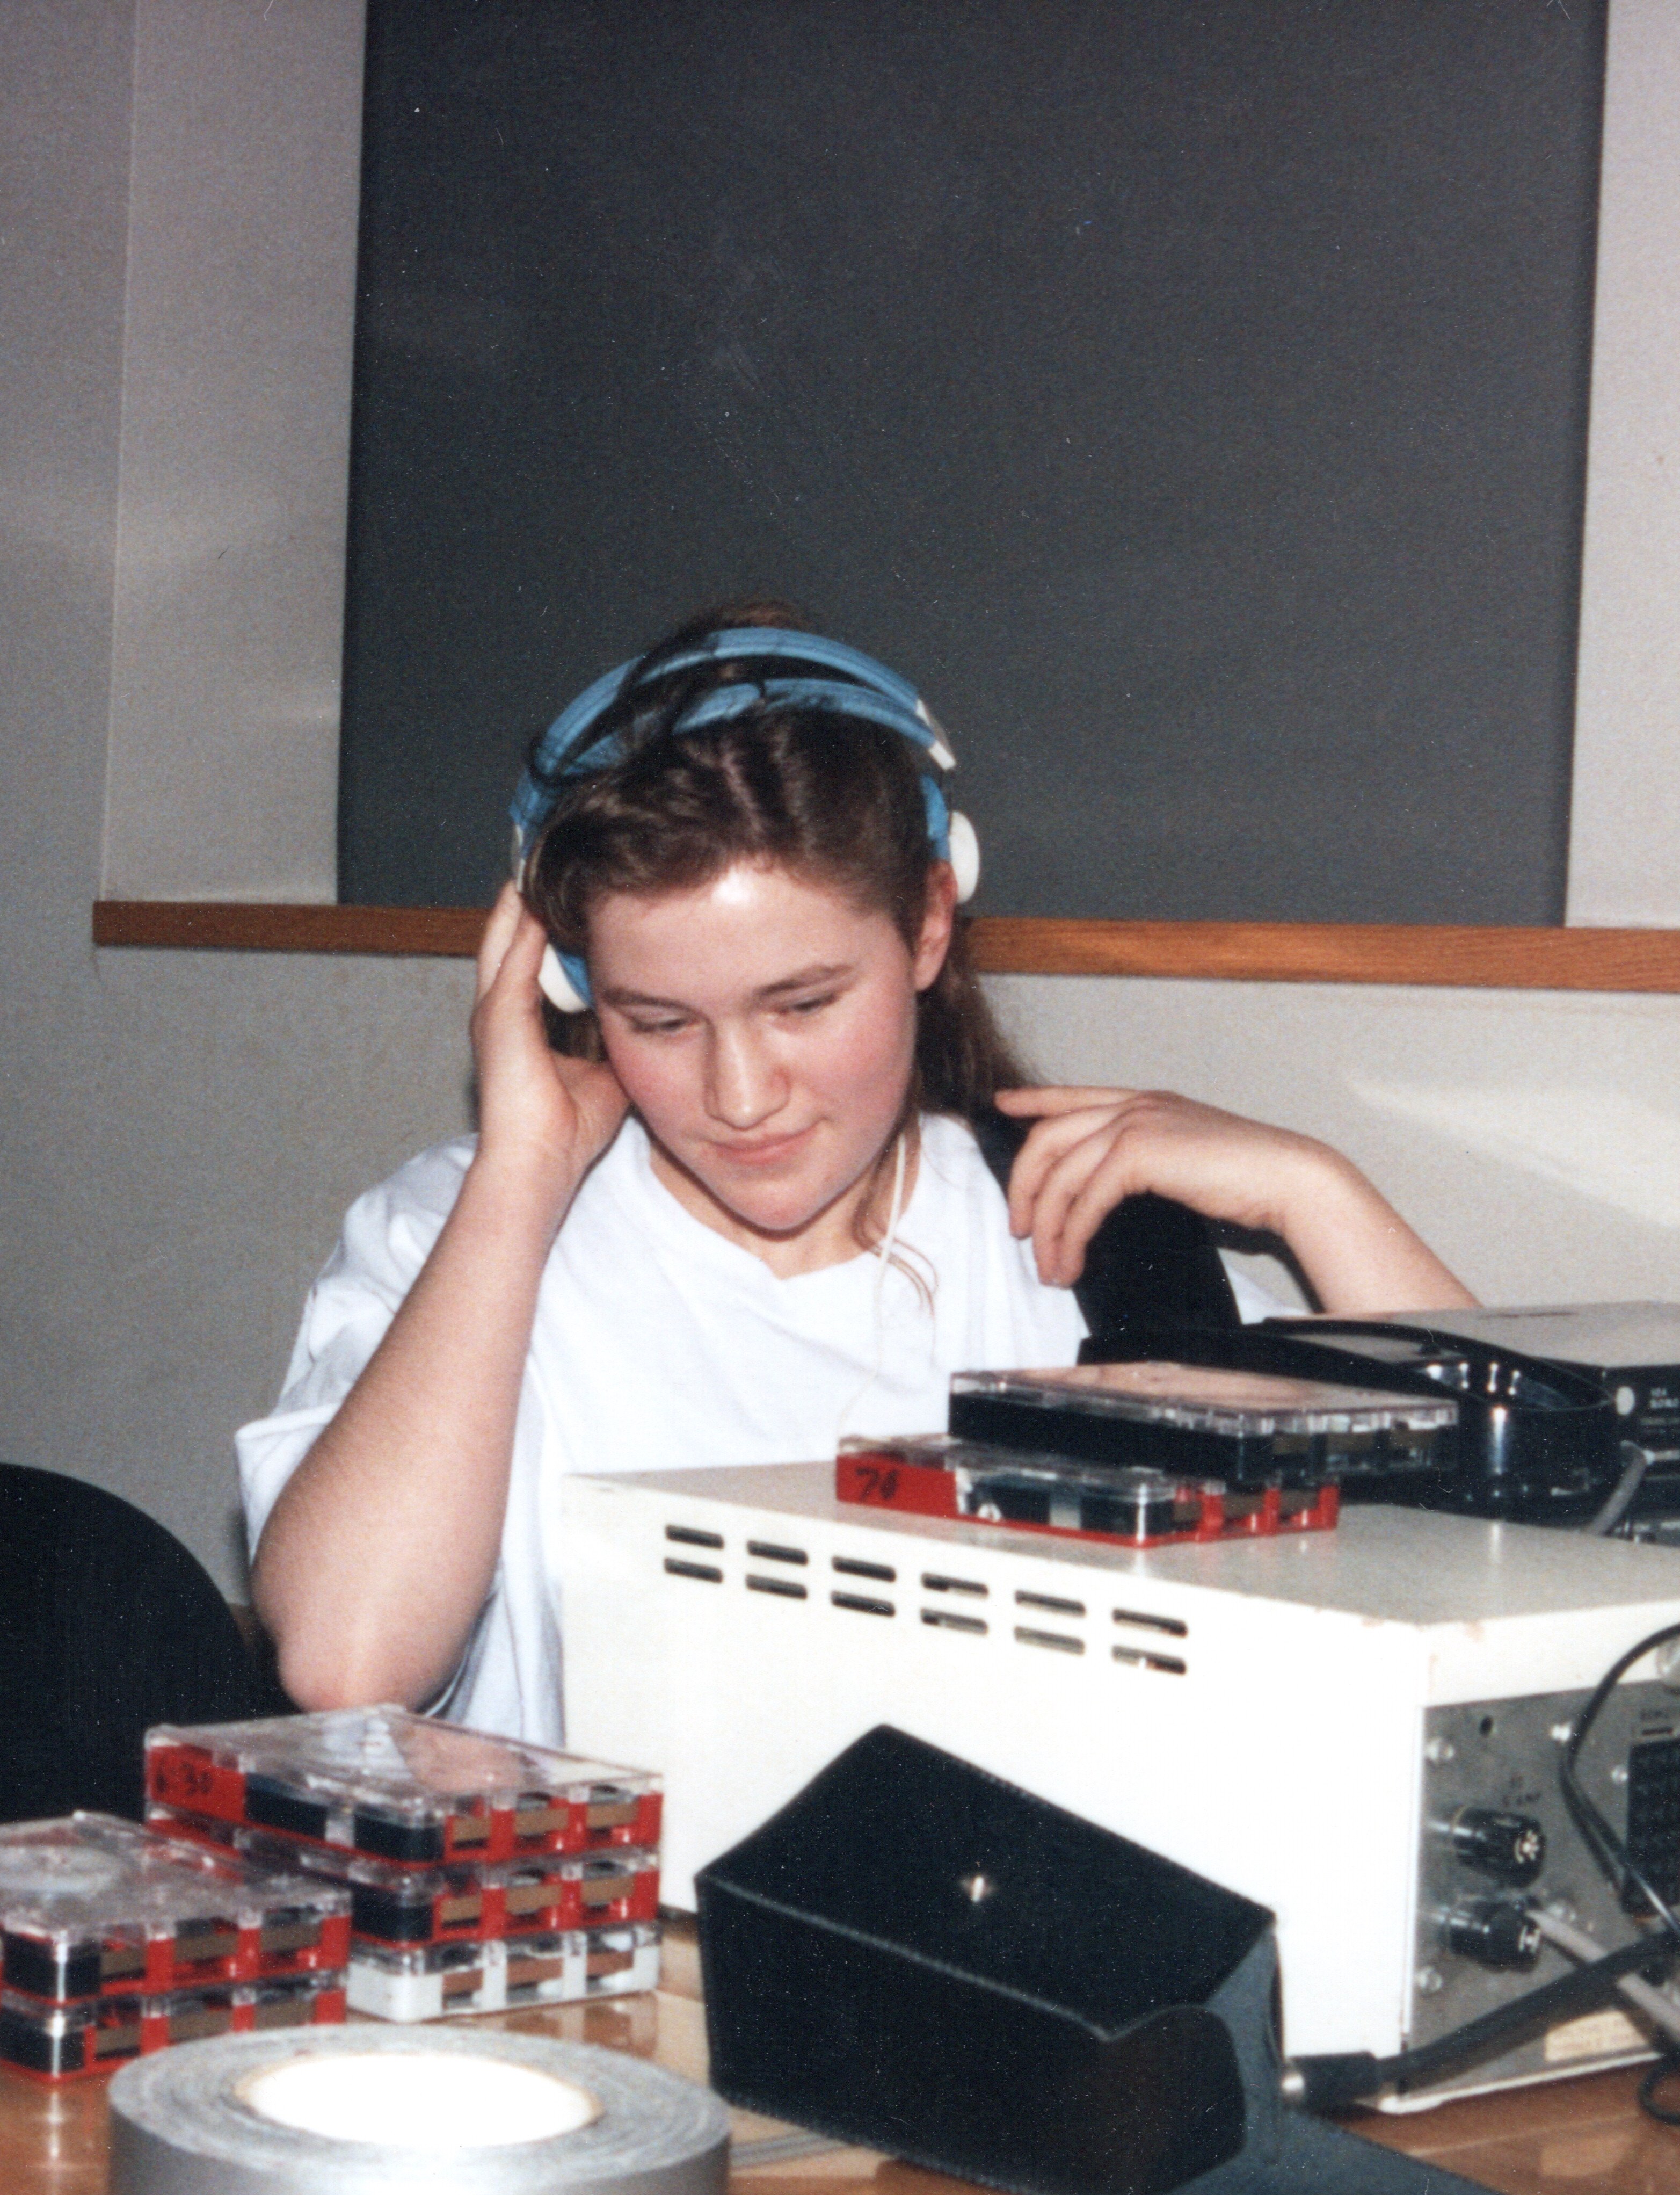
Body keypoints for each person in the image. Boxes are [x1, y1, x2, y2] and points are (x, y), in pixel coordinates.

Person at [238, 602, 1471, 1745]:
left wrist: (1321, 1193)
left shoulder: (1088, 1245)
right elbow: (349, 1662)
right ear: (565, 986)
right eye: (659, 1021)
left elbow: (1520, 1578)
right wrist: (519, 1177)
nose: (740, 1095)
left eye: (805, 1003)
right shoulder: (460, 1241)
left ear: (930, 925)